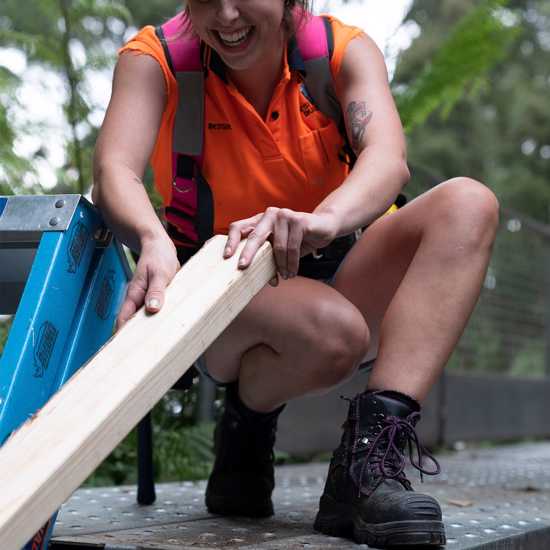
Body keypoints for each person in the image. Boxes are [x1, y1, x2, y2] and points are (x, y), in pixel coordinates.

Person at [92, 0, 499, 547]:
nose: (227, 16)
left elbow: (388, 156)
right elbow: (115, 168)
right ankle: (248, 423)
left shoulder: (340, 52)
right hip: (219, 286)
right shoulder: (155, 60)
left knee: (469, 203)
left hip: (334, 262)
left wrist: (321, 221)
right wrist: (152, 240)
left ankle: (363, 464)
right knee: (335, 332)